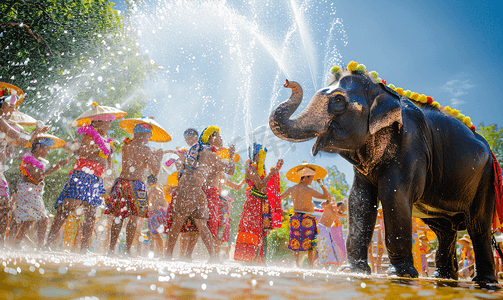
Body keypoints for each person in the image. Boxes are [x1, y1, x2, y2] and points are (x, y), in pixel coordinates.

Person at [45, 102, 126, 253]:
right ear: (97, 122)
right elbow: (82, 153)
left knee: (91, 213)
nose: (109, 125)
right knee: (67, 208)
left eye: (110, 122)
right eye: (108, 122)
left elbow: (107, 165)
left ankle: (84, 249)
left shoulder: (106, 140)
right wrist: (98, 146)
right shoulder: (89, 133)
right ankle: (48, 243)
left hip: (96, 179)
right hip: (83, 175)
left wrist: (109, 173)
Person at [105, 122, 164, 255]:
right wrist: (158, 159)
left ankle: (110, 249)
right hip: (136, 185)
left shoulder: (126, 145)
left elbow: (129, 140)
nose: (149, 138)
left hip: (121, 183)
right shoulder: (146, 150)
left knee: (117, 217)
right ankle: (127, 251)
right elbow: (154, 172)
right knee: (134, 219)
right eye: (149, 135)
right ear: (145, 135)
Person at [0, 86, 49, 247]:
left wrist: (35, 132)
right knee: (5, 205)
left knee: (5, 206)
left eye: (14, 107)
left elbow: (21, 142)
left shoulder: (6, 122)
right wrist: (34, 132)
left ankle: (1, 243)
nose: (13, 110)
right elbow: (18, 136)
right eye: (10, 106)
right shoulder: (1, 121)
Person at [165, 128, 221, 262]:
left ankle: (170, 256)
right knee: (194, 224)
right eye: (186, 139)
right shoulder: (203, 151)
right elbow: (227, 169)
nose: (187, 140)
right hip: (192, 190)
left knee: (191, 224)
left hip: (192, 190)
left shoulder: (198, 150)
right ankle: (211, 257)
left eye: (188, 138)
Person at [12, 135, 70, 248]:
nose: (48, 152)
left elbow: (39, 176)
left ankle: (16, 244)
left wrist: (54, 168)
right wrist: (58, 166)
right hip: (29, 192)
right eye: (47, 148)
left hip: (29, 191)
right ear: (39, 147)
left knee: (29, 220)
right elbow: (37, 177)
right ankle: (40, 246)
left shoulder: (34, 160)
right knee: (44, 219)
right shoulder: (29, 159)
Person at [233, 143, 283, 264]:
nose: (263, 158)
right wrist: (271, 174)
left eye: (264, 156)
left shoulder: (260, 169)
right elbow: (261, 186)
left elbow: (266, 186)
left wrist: (276, 169)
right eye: (261, 155)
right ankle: (247, 259)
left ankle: (259, 261)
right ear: (256, 156)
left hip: (260, 204)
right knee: (252, 230)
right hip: (253, 205)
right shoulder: (250, 168)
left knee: (261, 231)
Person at [281, 164, 331, 267]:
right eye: (311, 178)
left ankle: (296, 265)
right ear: (306, 177)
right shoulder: (308, 190)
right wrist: (322, 184)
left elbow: (279, 198)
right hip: (307, 219)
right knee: (311, 245)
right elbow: (326, 196)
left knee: (296, 242)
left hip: (295, 219)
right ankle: (311, 266)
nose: (312, 180)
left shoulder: (292, 189)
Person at [318, 199, 347, 266]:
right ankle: (322, 263)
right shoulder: (330, 207)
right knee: (326, 245)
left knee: (330, 247)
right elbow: (322, 204)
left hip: (327, 229)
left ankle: (327, 263)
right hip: (322, 227)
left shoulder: (336, 214)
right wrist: (328, 201)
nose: (344, 209)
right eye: (343, 206)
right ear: (338, 206)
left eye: (345, 208)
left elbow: (345, 215)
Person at [146, 175, 168, 257]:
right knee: (154, 235)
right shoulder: (155, 189)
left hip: (155, 214)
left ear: (148, 182)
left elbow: (163, 203)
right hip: (154, 214)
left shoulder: (155, 190)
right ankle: (159, 253)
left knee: (156, 235)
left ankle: (161, 253)